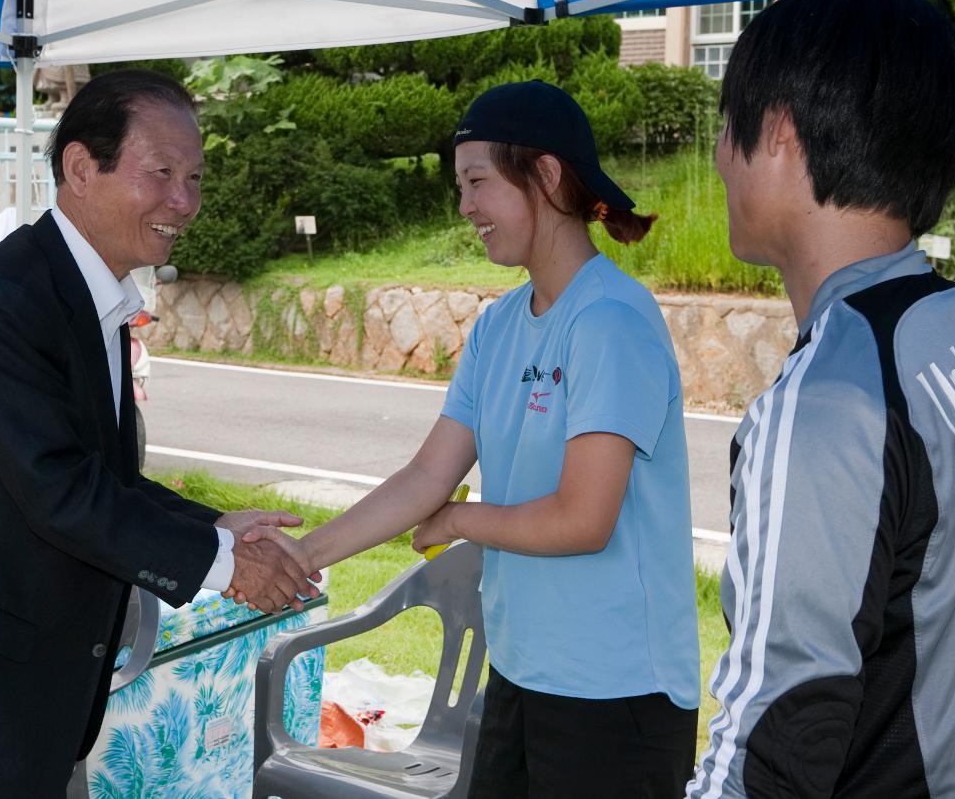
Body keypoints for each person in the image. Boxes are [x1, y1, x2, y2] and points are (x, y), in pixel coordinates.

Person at [0, 70, 318, 798]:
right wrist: (225, 563)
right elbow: (60, 489)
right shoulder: (1, 299)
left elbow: (96, 476)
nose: (184, 201)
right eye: (161, 173)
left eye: (195, 177)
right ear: (81, 168)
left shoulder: (83, 295)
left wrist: (216, 526)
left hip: (9, 702)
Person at [240, 80, 700, 798]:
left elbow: (584, 519)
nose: (464, 207)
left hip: (617, 693)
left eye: (477, 182)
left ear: (545, 176)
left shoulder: (611, 321)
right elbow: (428, 472)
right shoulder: (500, 325)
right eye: (462, 186)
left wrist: (458, 519)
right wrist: (306, 554)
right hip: (521, 673)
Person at [687, 0, 955, 798]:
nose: (718, 156)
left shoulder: (831, 397)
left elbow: (776, 731)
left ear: (777, 131)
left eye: (727, 128)